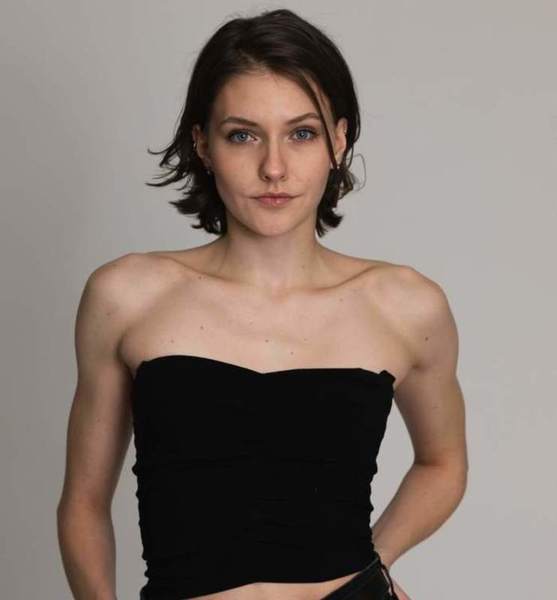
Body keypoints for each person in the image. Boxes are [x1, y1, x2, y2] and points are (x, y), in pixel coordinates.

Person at [56, 8, 468, 600]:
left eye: (301, 133)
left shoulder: (406, 305)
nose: (273, 168)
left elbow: (443, 462)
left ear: (339, 140)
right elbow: (84, 502)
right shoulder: (126, 296)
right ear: (202, 143)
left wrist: (372, 566)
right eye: (242, 135)